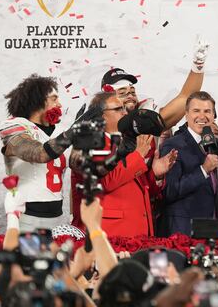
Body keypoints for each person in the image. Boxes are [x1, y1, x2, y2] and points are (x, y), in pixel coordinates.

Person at [0, 74, 100, 231]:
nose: (59, 104)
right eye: (54, 99)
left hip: (58, 217)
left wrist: (85, 139)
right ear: (37, 101)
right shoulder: (15, 127)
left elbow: (80, 166)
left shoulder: (61, 131)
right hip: (27, 217)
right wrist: (73, 132)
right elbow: (38, 153)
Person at [70, 92, 177, 237]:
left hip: (137, 232)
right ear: (101, 115)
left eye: (124, 109)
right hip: (110, 233)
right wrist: (138, 156)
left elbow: (136, 188)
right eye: (118, 109)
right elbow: (104, 182)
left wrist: (155, 175)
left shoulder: (126, 142)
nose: (124, 112)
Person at [157, 91, 218, 237]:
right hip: (182, 231)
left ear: (213, 115)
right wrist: (203, 170)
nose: (202, 116)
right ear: (186, 114)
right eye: (196, 111)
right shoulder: (173, 145)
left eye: (207, 111)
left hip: (216, 230)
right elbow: (169, 192)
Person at [100, 39, 208, 129]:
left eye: (132, 92)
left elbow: (186, 97)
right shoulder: (93, 126)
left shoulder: (146, 118)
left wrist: (198, 65)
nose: (130, 96)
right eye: (122, 92)